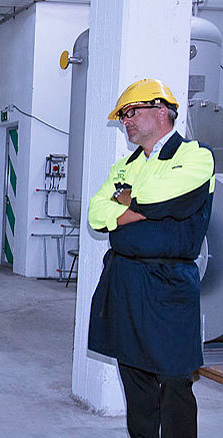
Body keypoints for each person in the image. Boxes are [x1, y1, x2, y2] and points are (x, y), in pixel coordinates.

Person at [88, 78, 215, 437]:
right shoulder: (126, 165)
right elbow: (97, 214)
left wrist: (127, 200)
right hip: (126, 281)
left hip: (170, 285)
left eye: (131, 112)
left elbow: (169, 197)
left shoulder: (195, 155)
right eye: (122, 115)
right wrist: (135, 205)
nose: (125, 121)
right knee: (135, 378)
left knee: (175, 380)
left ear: (161, 111)